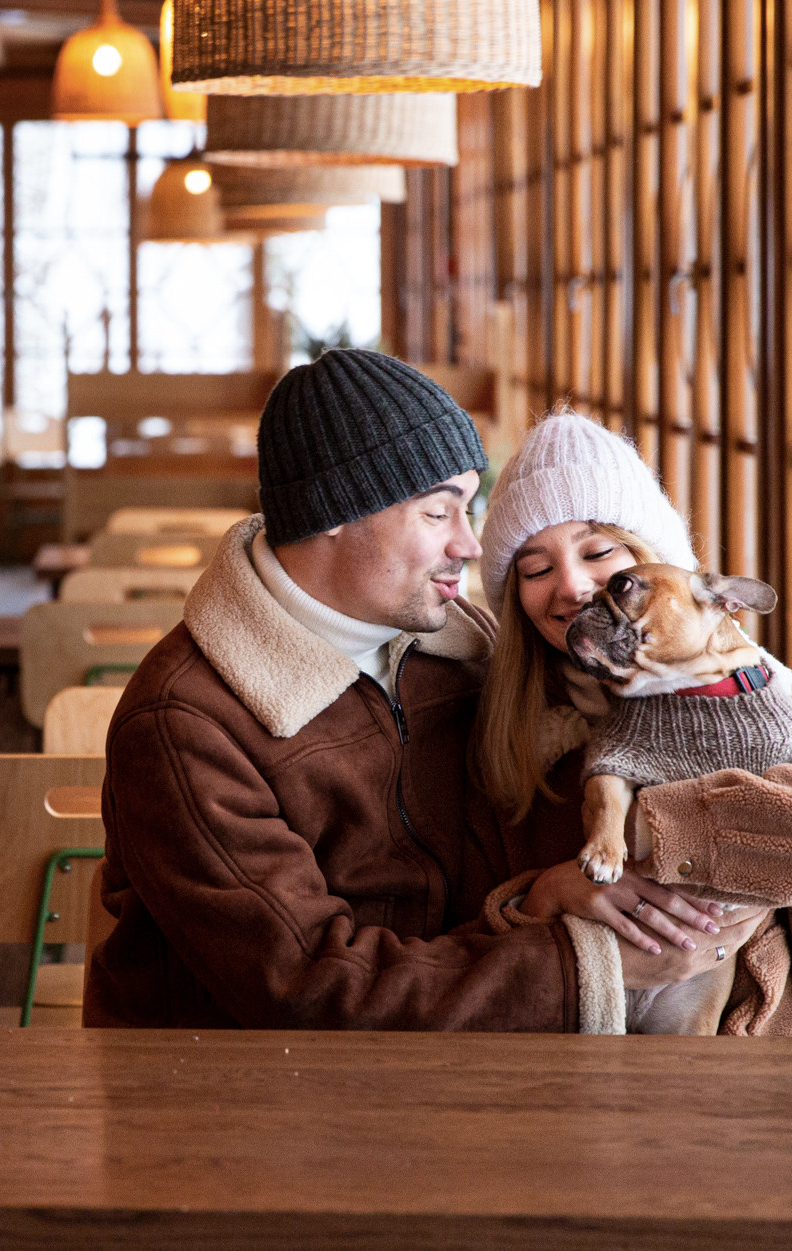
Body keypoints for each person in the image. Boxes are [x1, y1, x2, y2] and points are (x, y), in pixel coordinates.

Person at [84, 352, 741, 1030]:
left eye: (469, 507)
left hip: (462, 1065)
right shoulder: (185, 722)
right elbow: (307, 988)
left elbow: (728, 710)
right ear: (335, 511)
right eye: (439, 513)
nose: (470, 543)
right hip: (238, 1099)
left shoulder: (458, 648)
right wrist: (577, 962)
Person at [472, 408, 792, 1035]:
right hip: (565, 1065)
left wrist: (641, 830)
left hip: (759, 1060)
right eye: (536, 569)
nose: (572, 587)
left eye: (601, 555)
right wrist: (547, 896)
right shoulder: (503, 730)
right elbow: (463, 932)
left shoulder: (765, 699)